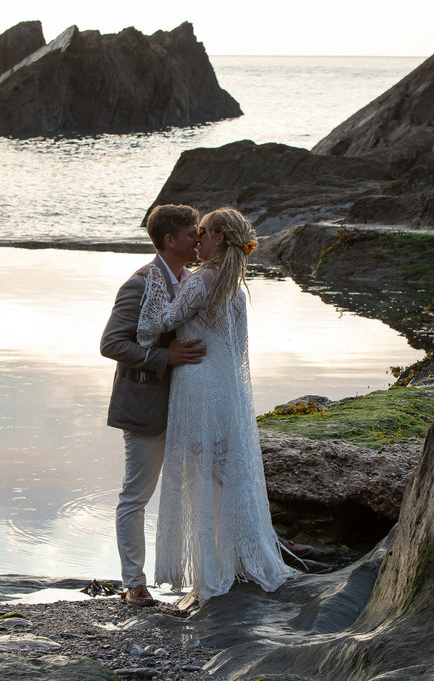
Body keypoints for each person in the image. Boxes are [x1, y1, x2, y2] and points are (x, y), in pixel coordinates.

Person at [138, 207, 295, 606]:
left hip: (197, 388)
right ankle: (237, 558)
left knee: (199, 476)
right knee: (224, 476)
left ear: (219, 239)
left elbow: (159, 322)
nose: (198, 240)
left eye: (203, 233)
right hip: (227, 392)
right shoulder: (235, 289)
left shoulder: (201, 281)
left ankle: (209, 573)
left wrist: (156, 280)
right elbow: (238, 352)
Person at [100, 203, 206, 606]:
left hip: (187, 403)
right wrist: (167, 358)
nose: (198, 238)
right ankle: (134, 584)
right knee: (136, 496)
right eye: (192, 232)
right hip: (146, 408)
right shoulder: (140, 284)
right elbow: (111, 343)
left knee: (207, 484)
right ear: (169, 240)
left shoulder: (189, 279)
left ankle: (207, 570)